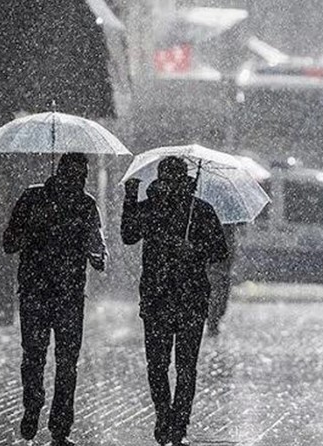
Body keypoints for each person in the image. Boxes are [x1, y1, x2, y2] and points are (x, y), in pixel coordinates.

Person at [121, 157, 228, 446]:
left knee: (185, 366)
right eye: (166, 179)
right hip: (157, 297)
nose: (171, 185)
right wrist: (130, 198)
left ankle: (179, 421)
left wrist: (193, 248)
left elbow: (219, 250)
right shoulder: (150, 207)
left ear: (185, 180)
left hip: (191, 298)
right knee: (157, 365)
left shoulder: (201, 211)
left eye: (176, 179)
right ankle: (163, 414)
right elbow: (129, 235)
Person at [3, 153, 107, 446]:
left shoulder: (86, 205)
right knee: (34, 357)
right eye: (75, 176)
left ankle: (60, 427)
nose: (78, 183)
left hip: (70, 296)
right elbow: (9, 242)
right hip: (37, 293)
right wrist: (35, 227)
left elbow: (97, 244)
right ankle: (33, 406)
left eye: (82, 178)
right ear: (60, 173)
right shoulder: (32, 199)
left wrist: (98, 258)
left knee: (66, 362)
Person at [206, 223, 237, 337]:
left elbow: (232, 255)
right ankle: (212, 323)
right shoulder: (213, 232)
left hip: (224, 272)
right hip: (216, 271)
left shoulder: (231, 235)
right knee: (216, 297)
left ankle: (213, 322)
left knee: (222, 300)